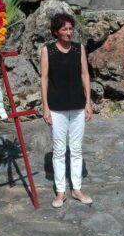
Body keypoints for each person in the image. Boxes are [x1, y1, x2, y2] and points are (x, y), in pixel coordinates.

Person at [40, 13, 93, 208]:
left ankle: (77, 189)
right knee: (59, 150)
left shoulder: (80, 49)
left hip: (78, 105)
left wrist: (88, 102)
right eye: (65, 29)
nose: (69, 32)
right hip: (56, 107)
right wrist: (45, 106)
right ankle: (60, 192)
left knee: (77, 149)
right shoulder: (48, 51)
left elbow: (85, 75)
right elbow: (44, 79)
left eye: (71, 29)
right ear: (56, 31)